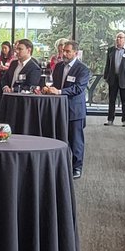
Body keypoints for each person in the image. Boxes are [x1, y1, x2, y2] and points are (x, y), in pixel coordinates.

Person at [47, 40, 87, 179]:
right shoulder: (58, 66)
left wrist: (58, 92)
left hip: (75, 110)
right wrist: (48, 88)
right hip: (59, 109)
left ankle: (77, 168)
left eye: (68, 51)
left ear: (75, 53)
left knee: (76, 141)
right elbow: (56, 84)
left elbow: (78, 88)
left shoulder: (82, 69)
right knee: (59, 139)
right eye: (64, 50)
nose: (64, 53)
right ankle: (60, 166)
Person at [102, 32, 125, 127]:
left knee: (124, 101)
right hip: (113, 78)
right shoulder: (111, 50)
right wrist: (106, 76)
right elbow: (108, 64)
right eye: (117, 37)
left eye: (121, 37)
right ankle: (110, 119)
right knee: (111, 100)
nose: (118, 39)